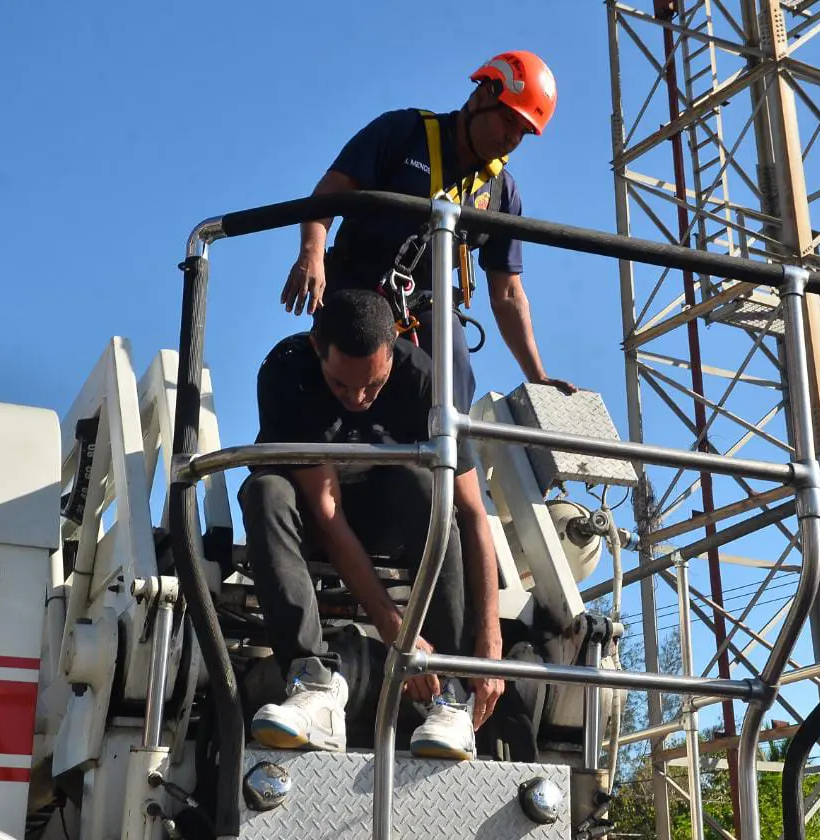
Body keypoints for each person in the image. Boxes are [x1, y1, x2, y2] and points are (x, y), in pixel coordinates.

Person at [239, 289, 503, 760]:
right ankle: (313, 684)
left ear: (392, 351)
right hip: (313, 518)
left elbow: (473, 514)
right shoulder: (287, 373)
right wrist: (393, 626)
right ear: (318, 347)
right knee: (265, 489)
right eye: (342, 387)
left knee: (424, 484)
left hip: (386, 513)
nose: (359, 399)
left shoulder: (422, 378)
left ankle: (452, 692)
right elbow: (328, 514)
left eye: (374, 386)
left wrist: (488, 644)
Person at [280, 50, 576, 413]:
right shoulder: (403, 133)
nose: (511, 138)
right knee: (351, 370)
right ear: (482, 96)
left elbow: (508, 293)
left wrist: (537, 375)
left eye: (524, 132)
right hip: (355, 285)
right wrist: (311, 254)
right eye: (508, 120)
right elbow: (329, 193)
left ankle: (439, 465)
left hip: (425, 306)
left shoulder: (501, 193)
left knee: (453, 383)